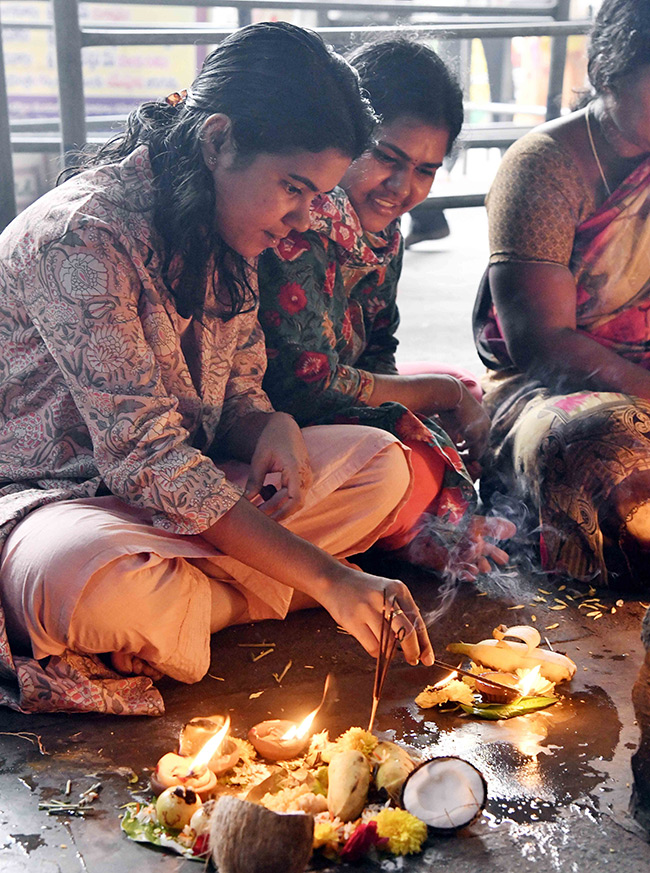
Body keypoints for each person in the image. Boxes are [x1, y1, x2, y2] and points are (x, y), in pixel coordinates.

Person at [0, 22, 437, 716]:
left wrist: (270, 426)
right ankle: (262, 594)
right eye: (294, 188)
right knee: (82, 580)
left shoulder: (229, 221)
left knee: (382, 465)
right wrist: (328, 578)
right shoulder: (80, 237)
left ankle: (192, 612)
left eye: (318, 196)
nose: (305, 219)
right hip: (59, 506)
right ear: (217, 140)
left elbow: (235, 394)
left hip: (181, 502)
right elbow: (146, 458)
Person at [258, 38, 514, 577]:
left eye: (425, 170)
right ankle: (412, 533)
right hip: (272, 420)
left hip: (335, 401)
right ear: (346, 133)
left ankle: (422, 519)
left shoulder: (381, 234)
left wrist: (435, 404)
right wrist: (432, 403)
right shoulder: (299, 220)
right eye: (387, 158)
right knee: (413, 448)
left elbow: (378, 350)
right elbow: (305, 386)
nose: (401, 188)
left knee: (462, 391)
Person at [473, 0, 650, 587]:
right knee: (608, 453)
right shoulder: (545, 166)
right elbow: (543, 344)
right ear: (607, 72)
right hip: (554, 394)